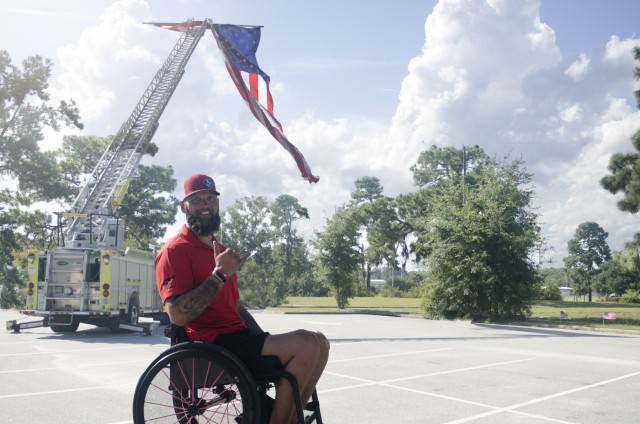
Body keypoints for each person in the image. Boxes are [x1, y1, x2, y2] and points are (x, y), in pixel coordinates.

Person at [155, 173, 329, 424]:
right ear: (183, 207)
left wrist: (261, 336)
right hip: (213, 344)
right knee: (306, 343)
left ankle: (290, 418)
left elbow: (234, 306)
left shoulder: (219, 249)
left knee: (320, 343)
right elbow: (177, 315)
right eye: (197, 200)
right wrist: (219, 274)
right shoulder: (174, 251)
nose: (206, 205)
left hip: (239, 339)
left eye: (211, 199)